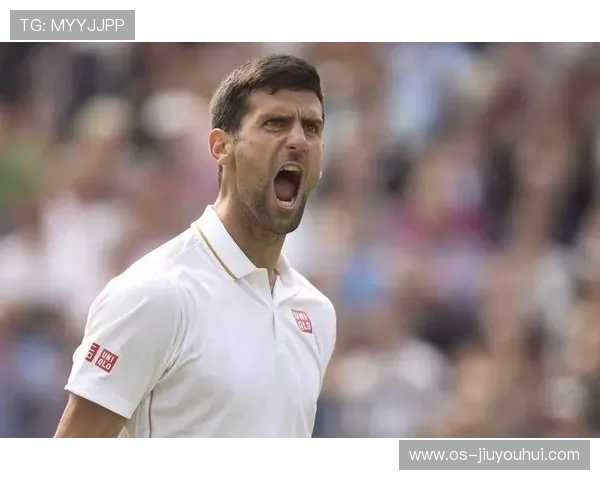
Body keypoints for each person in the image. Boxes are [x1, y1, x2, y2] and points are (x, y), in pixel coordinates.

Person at [53, 54, 337, 438]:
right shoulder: (155, 293)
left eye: (312, 128)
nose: (299, 141)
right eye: (275, 123)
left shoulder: (316, 312)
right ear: (221, 146)